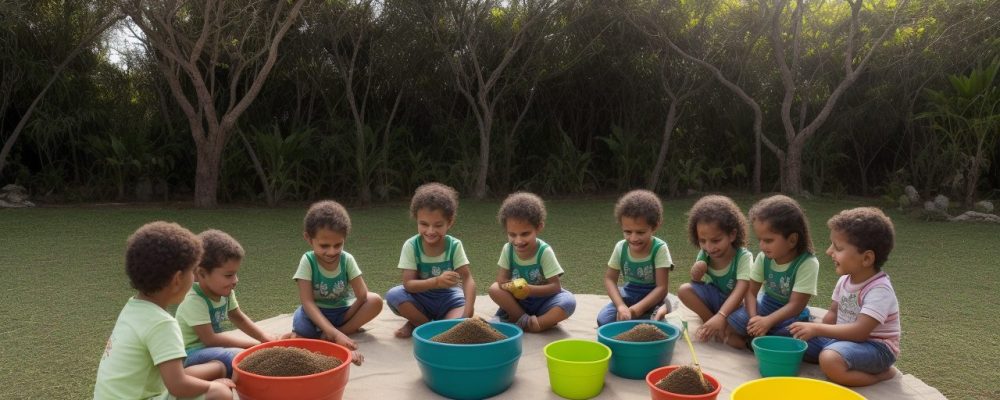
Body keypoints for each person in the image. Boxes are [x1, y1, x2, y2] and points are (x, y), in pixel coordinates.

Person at [94, 221, 234, 400]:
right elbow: (178, 386)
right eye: (193, 272)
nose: (195, 277)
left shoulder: (132, 308)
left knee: (210, 372)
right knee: (220, 393)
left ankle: (216, 370)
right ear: (177, 279)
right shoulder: (162, 323)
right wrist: (213, 385)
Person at [789, 207, 901, 386]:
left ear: (866, 259)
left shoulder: (879, 290)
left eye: (838, 247)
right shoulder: (844, 280)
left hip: (876, 348)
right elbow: (833, 314)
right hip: (845, 340)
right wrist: (812, 332)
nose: (829, 251)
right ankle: (835, 354)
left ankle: (881, 375)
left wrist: (817, 330)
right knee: (798, 344)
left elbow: (860, 332)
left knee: (829, 359)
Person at [175, 230, 276, 378]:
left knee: (232, 360)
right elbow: (210, 339)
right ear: (202, 273)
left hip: (213, 349)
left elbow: (238, 317)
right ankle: (184, 377)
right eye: (228, 275)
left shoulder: (225, 292)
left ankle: (219, 372)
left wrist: (263, 337)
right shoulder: (194, 299)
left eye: (235, 273)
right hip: (190, 354)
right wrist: (253, 346)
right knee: (240, 357)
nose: (235, 280)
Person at [723, 195, 819, 349]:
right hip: (766, 304)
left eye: (768, 240)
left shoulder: (807, 263)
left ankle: (756, 342)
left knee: (795, 335)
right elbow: (751, 292)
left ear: (792, 240)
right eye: (759, 239)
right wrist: (755, 319)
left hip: (790, 314)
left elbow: (796, 305)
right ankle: (764, 341)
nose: (761, 246)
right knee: (732, 323)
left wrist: (767, 321)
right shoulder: (763, 258)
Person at [386, 183, 476, 338]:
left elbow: (467, 279)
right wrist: (436, 282)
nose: (430, 231)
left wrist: (467, 313)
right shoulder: (411, 246)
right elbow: (409, 285)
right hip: (421, 297)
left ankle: (421, 325)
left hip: (449, 298)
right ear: (416, 220)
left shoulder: (454, 246)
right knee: (394, 295)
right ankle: (425, 326)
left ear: (450, 222)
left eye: (438, 225)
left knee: (465, 309)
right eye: (424, 224)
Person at [291, 200, 382, 352]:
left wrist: (345, 320)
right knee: (302, 335)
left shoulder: (347, 260)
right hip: (315, 313)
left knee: (376, 301)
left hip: (341, 311)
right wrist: (332, 330)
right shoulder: (307, 261)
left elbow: (362, 295)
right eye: (324, 246)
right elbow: (307, 302)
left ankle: (338, 332)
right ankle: (331, 333)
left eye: (338, 245)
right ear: (308, 238)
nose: (332, 251)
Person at [667, 195, 753, 342]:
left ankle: (723, 326)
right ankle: (712, 323)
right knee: (684, 290)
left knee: (740, 330)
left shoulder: (743, 257)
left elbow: (742, 290)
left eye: (716, 240)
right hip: (715, 298)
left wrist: (722, 315)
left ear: (732, 235)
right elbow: (696, 281)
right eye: (703, 241)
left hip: (737, 304)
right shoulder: (705, 254)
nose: (709, 247)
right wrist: (696, 273)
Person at [488, 192, 576, 332]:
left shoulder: (544, 252)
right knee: (494, 289)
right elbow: (501, 280)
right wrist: (512, 287)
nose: (518, 241)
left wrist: (529, 289)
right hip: (519, 303)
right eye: (512, 235)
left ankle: (537, 322)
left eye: (525, 234)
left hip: (544, 300)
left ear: (539, 227)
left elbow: (555, 287)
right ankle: (524, 320)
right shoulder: (508, 249)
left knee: (569, 302)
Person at [597, 190, 674, 326]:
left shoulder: (659, 249)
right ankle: (647, 315)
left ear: (655, 226)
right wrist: (621, 306)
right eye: (627, 232)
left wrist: (636, 310)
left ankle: (664, 306)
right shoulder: (620, 247)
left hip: (653, 295)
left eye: (640, 232)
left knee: (655, 325)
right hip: (629, 293)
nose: (633, 238)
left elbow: (661, 287)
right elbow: (609, 279)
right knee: (604, 320)